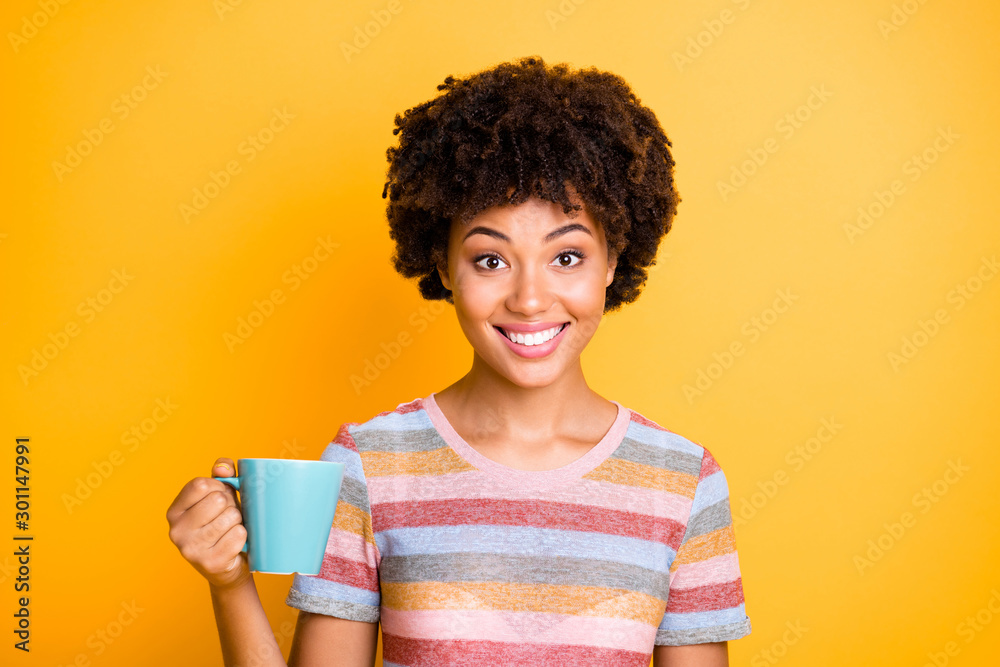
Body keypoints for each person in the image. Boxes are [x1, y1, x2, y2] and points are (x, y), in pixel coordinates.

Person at [167, 55, 751, 667]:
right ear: (444, 266)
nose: (528, 299)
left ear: (613, 262)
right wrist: (230, 585)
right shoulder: (368, 467)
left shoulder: (685, 485)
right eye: (490, 260)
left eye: (568, 257)